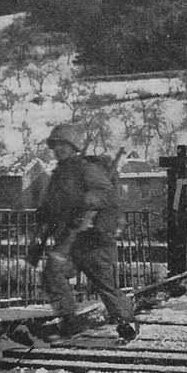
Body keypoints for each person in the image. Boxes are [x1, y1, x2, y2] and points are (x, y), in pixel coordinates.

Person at [34, 124, 138, 341]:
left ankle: (126, 322)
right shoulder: (59, 173)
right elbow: (55, 203)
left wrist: (85, 203)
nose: (58, 150)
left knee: (103, 281)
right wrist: (46, 212)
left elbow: (103, 193)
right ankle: (70, 323)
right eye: (55, 146)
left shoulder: (86, 168)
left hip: (92, 236)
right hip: (69, 237)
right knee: (53, 273)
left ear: (73, 146)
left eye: (63, 145)